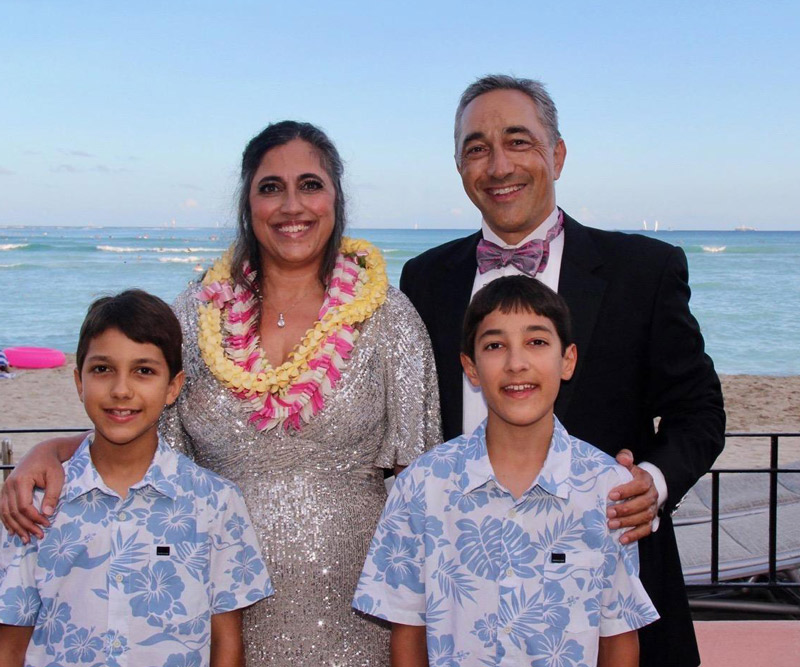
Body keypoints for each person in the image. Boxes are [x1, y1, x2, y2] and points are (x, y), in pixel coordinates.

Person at [0, 121, 442, 665]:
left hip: (360, 614)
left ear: (336, 198)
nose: (291, 205)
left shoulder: (387, 317)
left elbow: (422, 493)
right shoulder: (194, 313)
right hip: (203, 616)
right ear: (247, 202)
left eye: (310, 184)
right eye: (270, 187)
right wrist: (50, 452)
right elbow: (138, 439)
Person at [399, 75, 725, 667]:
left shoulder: (642, 270)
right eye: (477, 148)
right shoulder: (424, 280)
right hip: (464, 603)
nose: (498, 166)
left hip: (608, 592)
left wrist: (652, 481)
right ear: (459, 166)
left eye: (518, 141)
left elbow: (699, 411)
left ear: (558, 154)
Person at [354, 276, 659, 666]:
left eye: (537, 342)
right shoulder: (423, 484)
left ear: (567, 360)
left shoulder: (607, 488)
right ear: (471, 367)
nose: (517, 363)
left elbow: (618, 632)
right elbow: (408, 632)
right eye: (495, 346)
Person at [0, 290, 273, 667]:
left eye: (144, 371)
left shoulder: (214, 502)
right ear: (79, 382)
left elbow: (225, 643)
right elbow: (10, 643)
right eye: (102, 369)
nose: (121, 390)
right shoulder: (34, 505)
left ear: (173, 387)